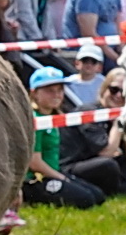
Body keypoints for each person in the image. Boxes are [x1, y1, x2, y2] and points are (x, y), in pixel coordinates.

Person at [23, 66, 105, 209]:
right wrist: (62, 178)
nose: (56, 95)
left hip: (54, 172)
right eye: (49, 91)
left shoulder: (54, 117)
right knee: (86, 200)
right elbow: (34, 162)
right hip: (35, 180)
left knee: (98, 196)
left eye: (59, 90)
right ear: (34, 93)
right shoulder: (35, 120)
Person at [70, 42, 106, 106]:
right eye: (85, 60)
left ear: (100, 66)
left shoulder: (104, 83)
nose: (89, 64)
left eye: (93, 61)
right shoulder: (68, 83)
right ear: (77, 63)